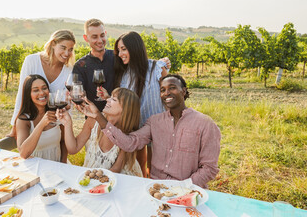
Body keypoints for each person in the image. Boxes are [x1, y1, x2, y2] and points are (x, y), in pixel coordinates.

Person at [80, 74, 221, 188]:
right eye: (162, 90)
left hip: (189, 189)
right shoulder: (155, 122)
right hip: (156, 188)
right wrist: (100, 117)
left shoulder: (205, 124)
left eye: (172, 88)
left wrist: (185, 186)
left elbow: (209, 168)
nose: (167, 93)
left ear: (183, 91)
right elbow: (130, 143)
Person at [97, 31, 168, 177]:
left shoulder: (156, 68)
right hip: (136, 127)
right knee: (140, 165)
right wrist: (108, 97)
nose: (120, 53)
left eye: (124, 49)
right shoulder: (123, 74)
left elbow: (169, 96)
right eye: (118, 50)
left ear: (135, 48)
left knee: (156, 166)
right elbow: (124, 102)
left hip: (158, 126)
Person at [7, 29, 75, 162]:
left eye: (71, 49)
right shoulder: (32, 61)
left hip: (55, 121)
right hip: (35, 121)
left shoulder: (69, 70)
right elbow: (22, 95)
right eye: (63, 47)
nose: (67, 53)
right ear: (53, 43)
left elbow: (68, 102)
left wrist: (67, 109)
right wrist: (14, 127)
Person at [56, 88, 142, 177]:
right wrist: (67, 123)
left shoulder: (128, 136)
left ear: (125, 109)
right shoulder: (93, 121)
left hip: (118, 178)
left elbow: (116, 169)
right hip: (94, 175)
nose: (107, 100)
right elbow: (73, 148)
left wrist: (92, 180)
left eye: (113, 99)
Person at [15, 74, 67, 162]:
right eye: (36, 90)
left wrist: (63, 163)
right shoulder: (23, 120)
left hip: (58, 166)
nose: (42, 93)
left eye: (44, 88)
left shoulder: (57, 113)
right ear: (29, 94)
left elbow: (63, 141)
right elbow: (23, 153)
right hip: (35, 169)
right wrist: (42, 124)